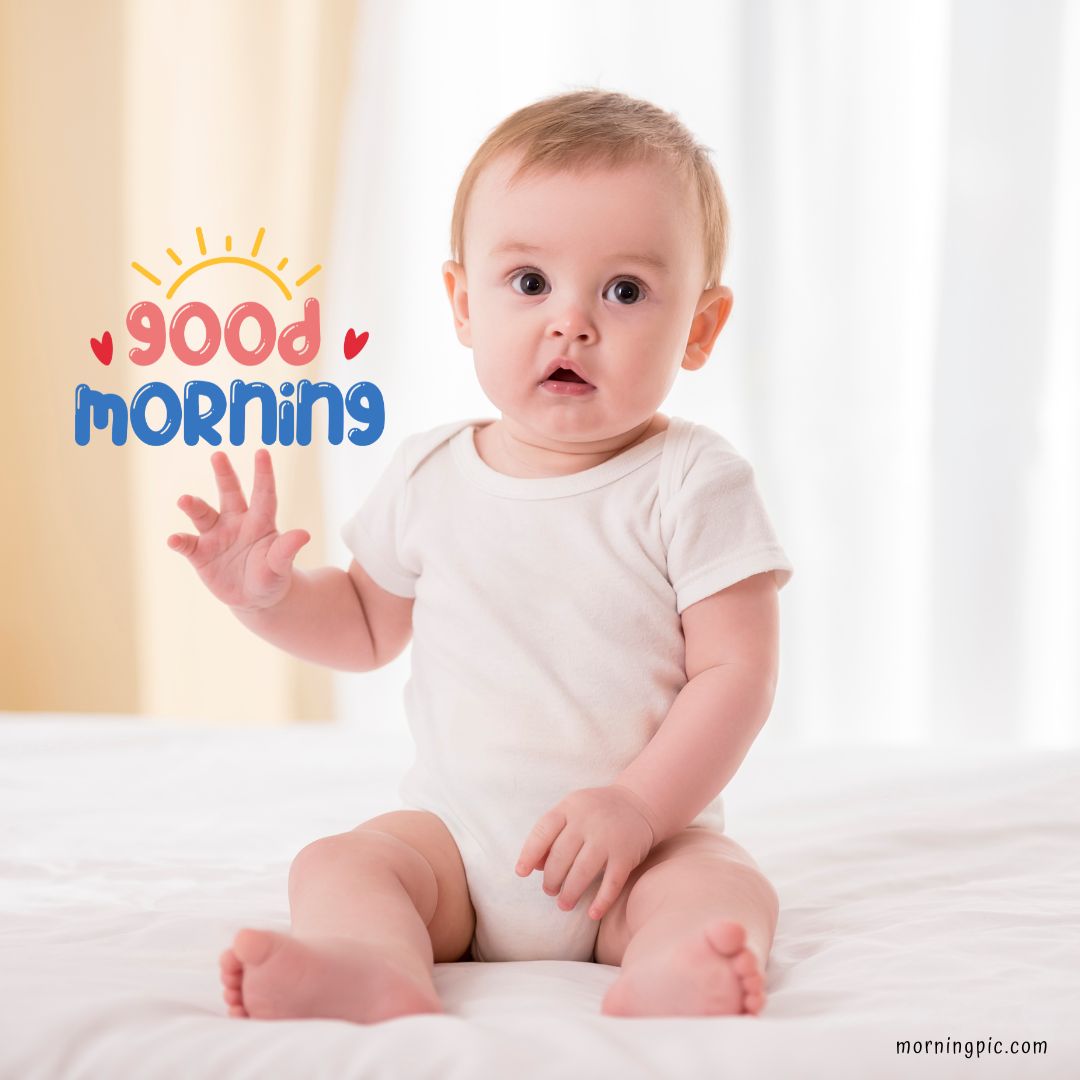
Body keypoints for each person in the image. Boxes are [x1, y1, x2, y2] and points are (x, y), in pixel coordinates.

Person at [170, 87, 794, 1023]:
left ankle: (672, 968)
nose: (571, 323)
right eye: (530, 283)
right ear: (464, 303)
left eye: (624, 291)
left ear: (700, 328)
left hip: (639, 848)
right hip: (457, 851)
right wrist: (267, 598)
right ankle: (370, 964)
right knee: (339, 861)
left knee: (723, 887)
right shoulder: (429, 474)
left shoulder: (692, 481)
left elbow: (737, 675)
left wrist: (637, 808)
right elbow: (368, 625)